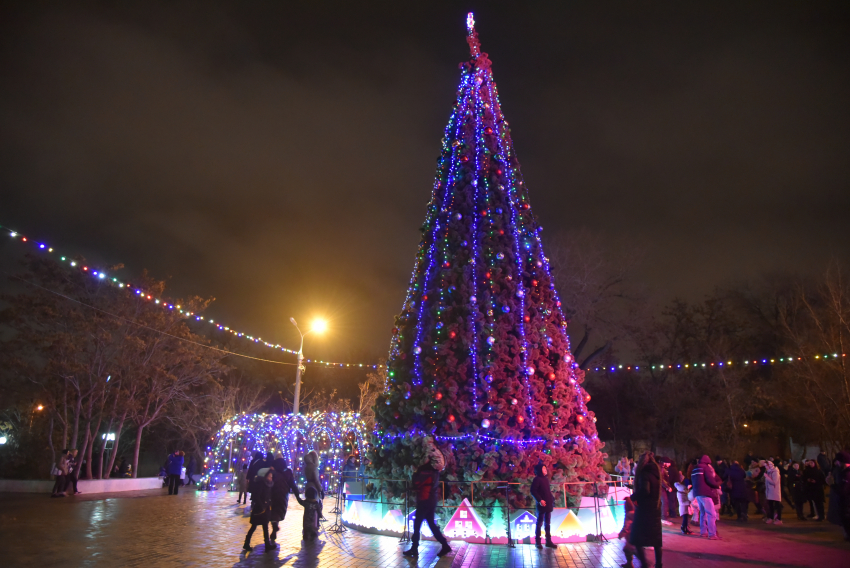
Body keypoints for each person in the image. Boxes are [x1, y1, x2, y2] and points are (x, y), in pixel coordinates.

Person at [403, 440, 451, 558]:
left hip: (425, 499)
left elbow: (417, 482)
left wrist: (415, 473)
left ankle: (414, 548)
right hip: (431, 499)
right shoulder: (435, 472)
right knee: (431, 524)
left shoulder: (425, 471)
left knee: (417, 523)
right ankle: (445, 545)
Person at [629, 451, 663, 568]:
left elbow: (645, 490)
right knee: (656, 540)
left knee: (637, 538)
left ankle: (644, 564)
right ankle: (658, 564)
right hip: (655, 509)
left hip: (645, 510)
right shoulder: (656, 473)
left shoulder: (644, 474)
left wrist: (633, 496)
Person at [269, 457, 301, 543]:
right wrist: (298, 496)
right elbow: (293, 485)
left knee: (273, 511)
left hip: (273, 494)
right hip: (283, 494)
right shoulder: (288, 472)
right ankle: (275, 528)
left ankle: (274, 526)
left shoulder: (273, 472)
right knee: (279, 511)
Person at [243, 469, 274, 552]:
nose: (271, 478)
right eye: (269, 476)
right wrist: (262, 505)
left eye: (271, 476)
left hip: (265, 508)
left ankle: (267, 544)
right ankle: (246, 543)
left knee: (265, 526)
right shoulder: (261, 484)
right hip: (259, 509)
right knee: (253, 527)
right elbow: (257, 496)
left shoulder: (268, 484)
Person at [691, 455, 721, 540]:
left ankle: (703, 532)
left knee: (703, 513)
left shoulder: (694, 469)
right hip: (705, 493)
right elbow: (710, 480)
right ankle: (712, 534)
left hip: (697, 493)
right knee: (711, 514)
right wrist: (716, 486)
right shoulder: (706, 468)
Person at [530, 462, 558, 549]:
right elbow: (533, 491)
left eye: (546, 469)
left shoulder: (545, 479)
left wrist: (551, 499)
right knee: (539, 523)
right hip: (542, 505)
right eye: (544, 469)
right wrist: (540, 500)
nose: (545, 470)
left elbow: (547, 491)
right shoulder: (537, 479)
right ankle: (537, 542)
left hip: (548, 504)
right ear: (539, 470)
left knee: (547, 523)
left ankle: (548, 541)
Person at [834, 451, 850, 541]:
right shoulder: (843, 472)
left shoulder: (846, 474)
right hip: (845, 502)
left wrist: (832, 485)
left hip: (846, 502)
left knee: (846, 520)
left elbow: (842, 491)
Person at [618, 493, 636, 568]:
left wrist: (621, 534)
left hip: (630, 536)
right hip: (635, 534)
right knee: (632, 549)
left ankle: (630, 564)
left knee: (628, 549)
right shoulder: (636, 512)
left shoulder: (629, 514)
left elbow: (626, 526)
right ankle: (630, 563)